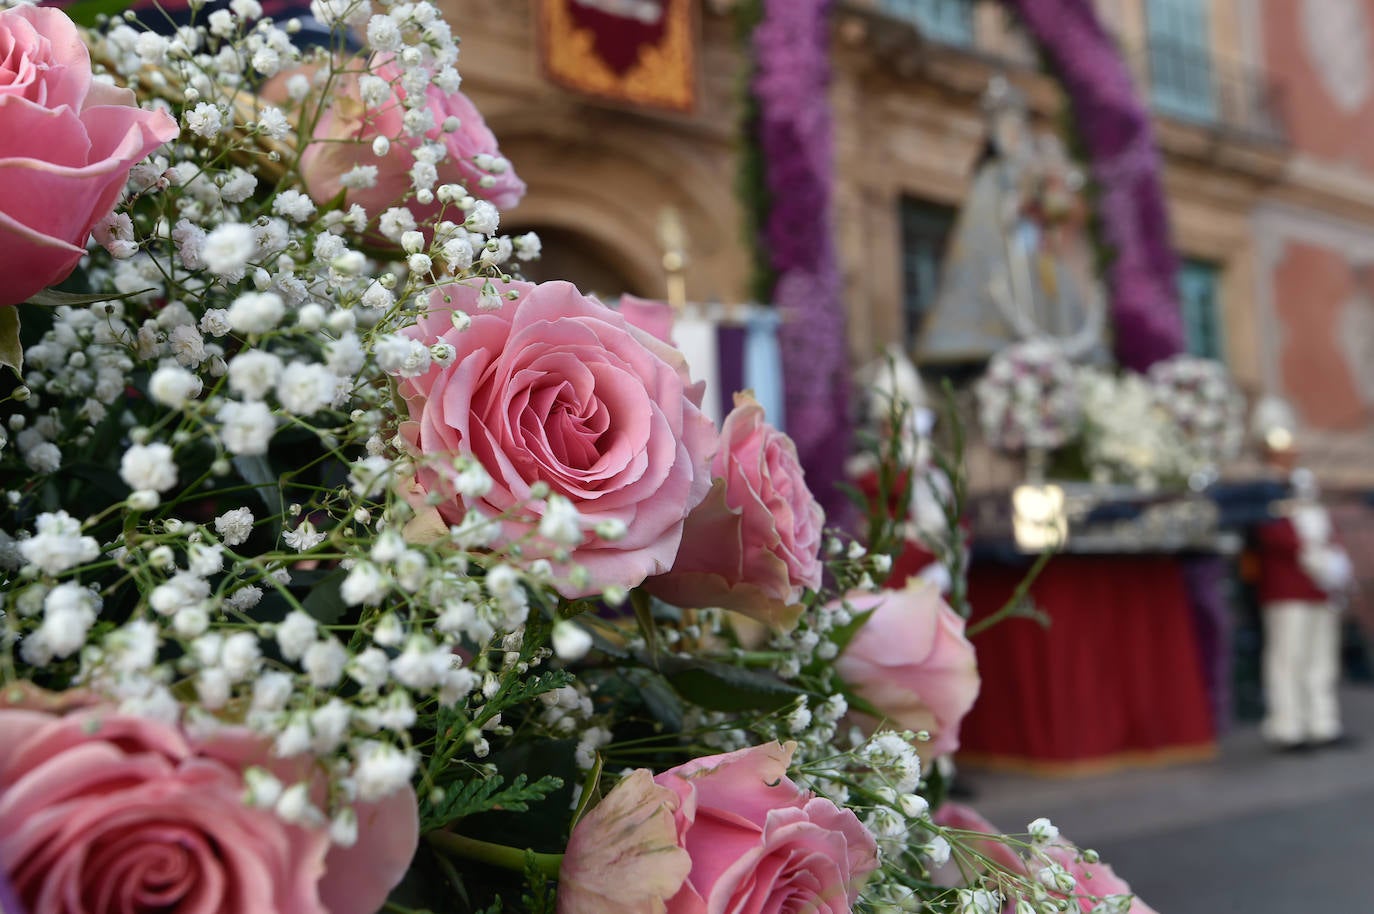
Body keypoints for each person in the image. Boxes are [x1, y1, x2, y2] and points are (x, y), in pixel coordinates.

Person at [1249, 404, 1356, 751]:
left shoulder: (1303, 484)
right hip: (1288, 587)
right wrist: (1312, 556)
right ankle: (1287, 727)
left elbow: (1325, 527)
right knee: (1288, 657)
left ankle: (1322, 722)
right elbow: (1272, 534)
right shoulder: (1263, 489)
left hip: (1320, 586)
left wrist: (1335, 561)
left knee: (1321, 657)